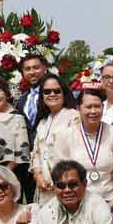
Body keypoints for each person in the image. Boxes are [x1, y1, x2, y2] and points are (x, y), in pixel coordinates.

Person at [53, 90, 113, 205]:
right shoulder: (65, 136)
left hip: (110, 199)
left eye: (97, 106)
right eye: (88, 107)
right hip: (78, 202)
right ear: (78, 109)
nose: (93, 111)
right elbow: (61, 174)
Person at [0, 74, 32, 200]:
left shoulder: (17, 117)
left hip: (13, 173)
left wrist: (3, 174)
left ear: (6, 92)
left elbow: (22, 152)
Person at [29, 74, 79, 207]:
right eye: (47, 92)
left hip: (66, 186)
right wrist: (38, 176)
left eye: (57, 91)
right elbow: (36, 153)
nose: (52, 94)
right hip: (45, 188)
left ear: (64, 93)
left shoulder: (73, 117)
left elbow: (78, 152)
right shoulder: (43, 122)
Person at [12, 53, 50, 143]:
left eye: (36, 68)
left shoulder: (54, 94)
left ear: (44, 69)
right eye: (27, 69)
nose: (32, 72)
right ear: (23, 72)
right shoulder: (21, 101)